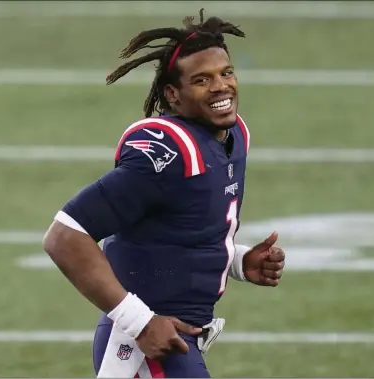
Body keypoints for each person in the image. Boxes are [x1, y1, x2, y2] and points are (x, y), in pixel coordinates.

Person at [43, 9, 286, 378]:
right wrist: (139, 322)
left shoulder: (232, 138)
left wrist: (234, 260)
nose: (221, 86)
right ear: (173, 94)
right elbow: (64, 236)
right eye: (202, 80)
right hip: (145, 345)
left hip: (174, 341)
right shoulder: (168, 153)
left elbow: (176, 232)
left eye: (226, 73)